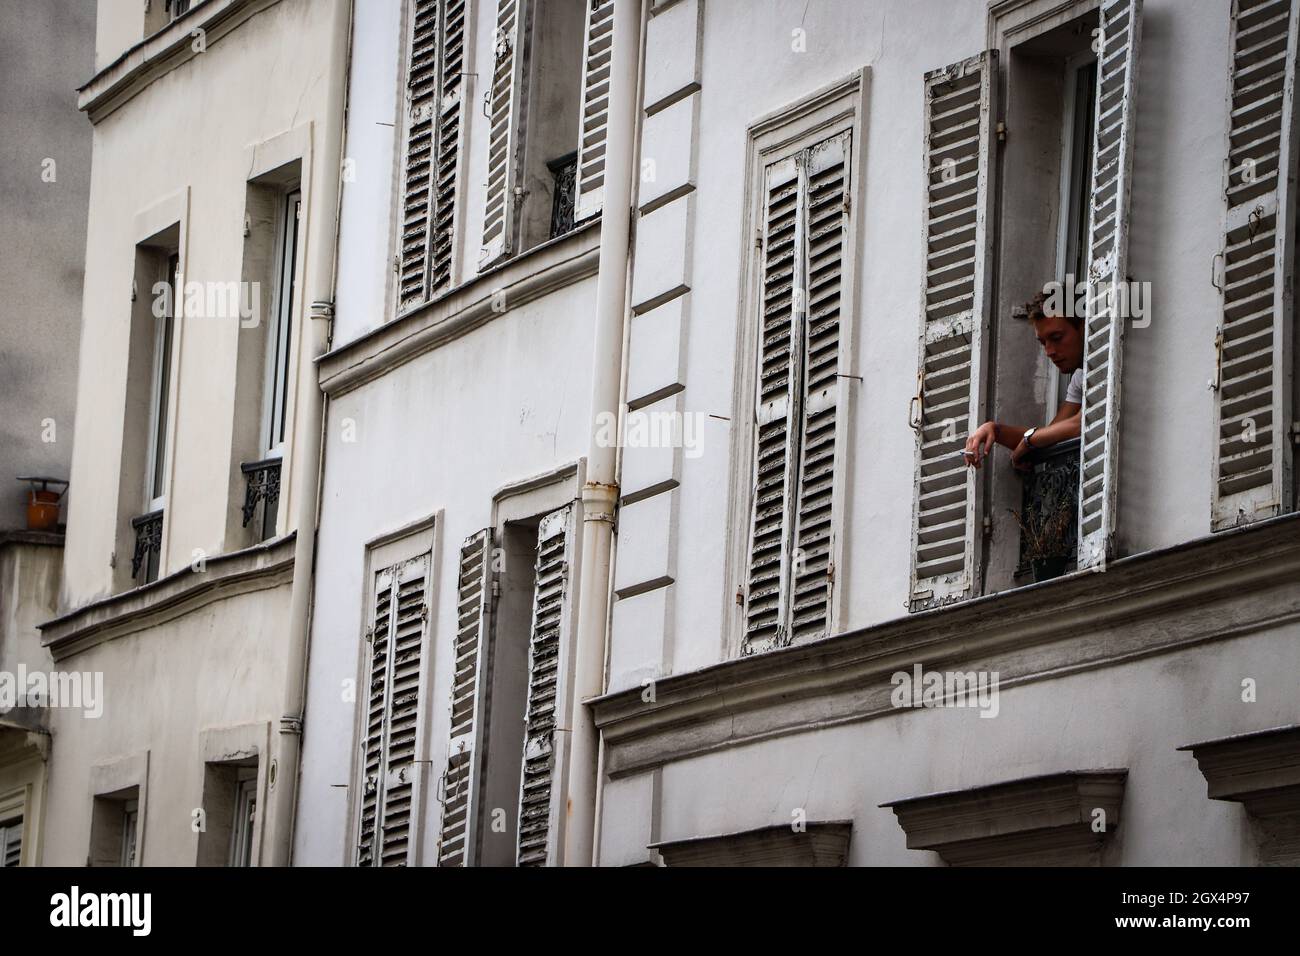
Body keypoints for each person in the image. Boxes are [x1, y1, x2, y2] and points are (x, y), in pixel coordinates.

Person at [964, 290, 1083, 471]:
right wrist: (995, 430)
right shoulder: (1080, 376)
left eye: (1057, 338)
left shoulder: (1106, 361)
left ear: (1084, 327)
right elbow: (1054, 433)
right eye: (1043, 343)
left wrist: (1030, 440)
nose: (1049, 351)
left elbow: (1082, 424)